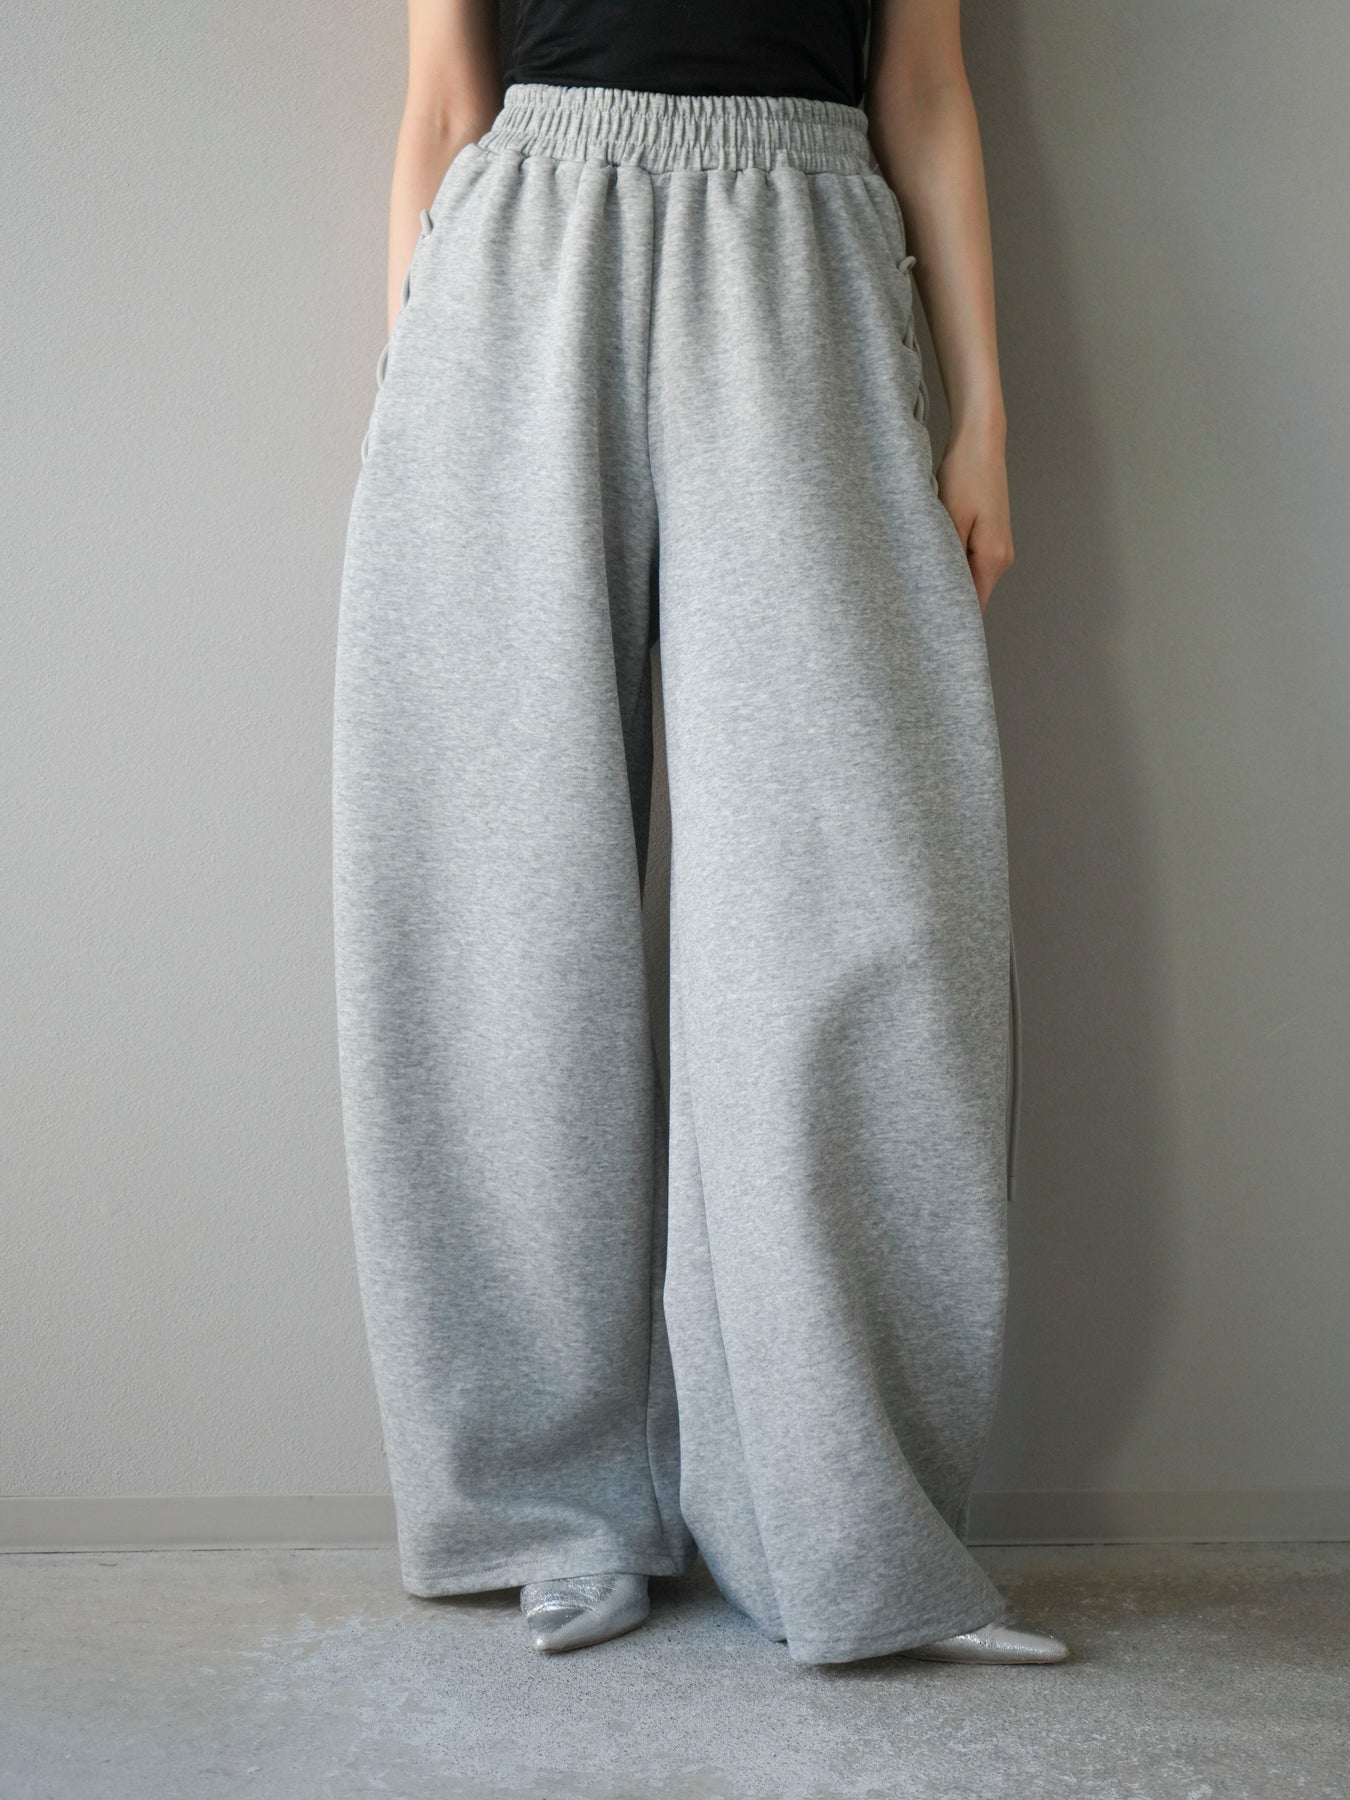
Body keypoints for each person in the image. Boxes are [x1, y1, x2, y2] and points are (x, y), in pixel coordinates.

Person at [332, 0, 1069, 1668]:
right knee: (502, 901)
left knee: (857, 902)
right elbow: (442, 99)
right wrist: (405, 387)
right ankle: (546, 1507)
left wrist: (981, 416)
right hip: (517, 267)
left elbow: (925, 87)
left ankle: (845, 1527)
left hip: (805, 250)